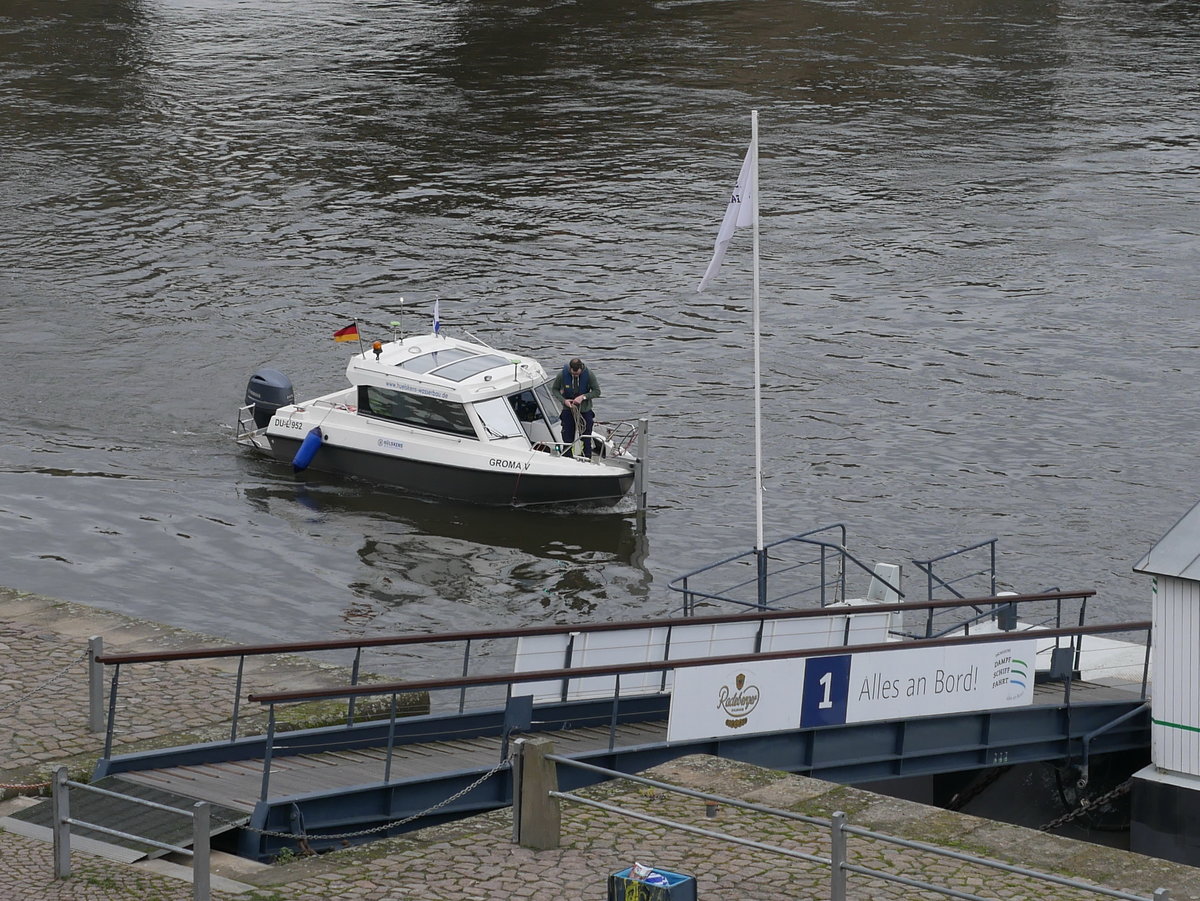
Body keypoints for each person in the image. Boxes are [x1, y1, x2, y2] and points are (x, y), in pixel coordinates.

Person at [552, 357, 600, 458]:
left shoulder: (589, 375)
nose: (575, 375)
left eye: (577, 374)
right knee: (567, 437)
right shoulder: (562, 375)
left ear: (581, 369)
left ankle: (587, 458)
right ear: (570, 369)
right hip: (568, 410)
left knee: (586, 438)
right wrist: (564, 400)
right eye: (573, 374)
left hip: (584, 411)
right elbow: (555, 390)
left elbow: (597, 391)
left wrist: (583, 397)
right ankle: (567, 457)